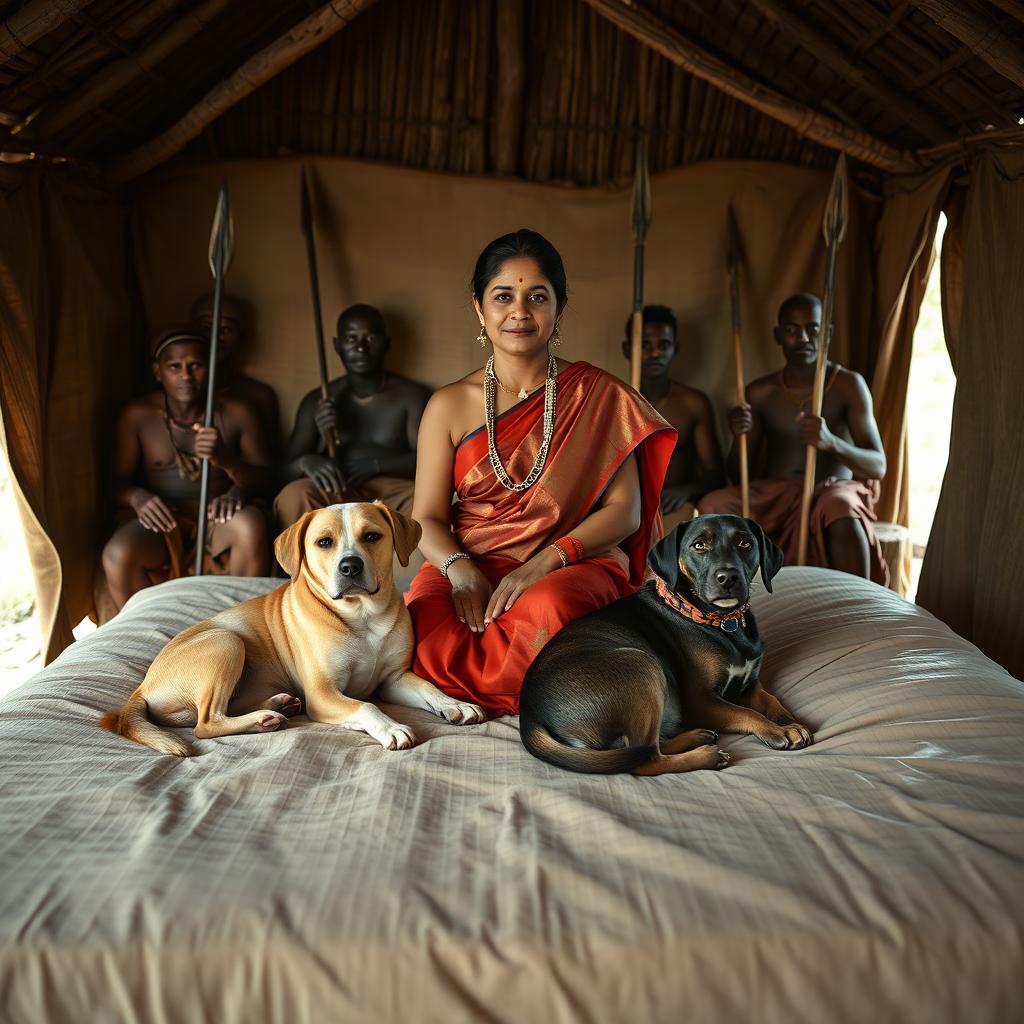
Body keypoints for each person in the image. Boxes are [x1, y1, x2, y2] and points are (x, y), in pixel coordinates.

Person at [406, 229, 676, 717]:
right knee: (419, 624)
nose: (519, 312)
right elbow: (425, 517)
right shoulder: (447, 406)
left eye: (537, 297)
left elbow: (626, 512)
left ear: (559, 307)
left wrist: (545, 561)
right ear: (479, 308)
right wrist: (461, 571)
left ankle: (551, 691)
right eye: (503, 296)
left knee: (549, 609)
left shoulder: (599, 396)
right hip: (471, 559)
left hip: (570, 561)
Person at [698, 292, 888, 583]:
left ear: (827, 334)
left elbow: (877, 466)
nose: (803, 338)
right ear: (778, 335)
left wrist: (830, 441)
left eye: (813, 329)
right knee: (714, 504)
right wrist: (740, 436)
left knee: (841, 504)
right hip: (775, 495)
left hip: (830, 491)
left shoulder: (848, 385)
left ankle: (859, 600)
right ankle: (725, 596)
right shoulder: (761, 392)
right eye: (792, 330)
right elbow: (738, 476)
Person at [102, 326, 273, 611]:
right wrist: (137, 498)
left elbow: (267, 479)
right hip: (164, 520)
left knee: (250, 525)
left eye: (196, 366)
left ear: (212, 368)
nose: (186, 376)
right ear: (158, 372)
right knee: (118, 553)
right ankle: (152, 639)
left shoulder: (237, 413)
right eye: (174, 367)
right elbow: (113, 483)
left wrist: (228, 465)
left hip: (218, 519)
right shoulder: (138, 416)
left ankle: (244, 628)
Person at [275, 304, 429, 527]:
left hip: (393, 492)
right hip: (336, 490)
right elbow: (281, 472)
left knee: (425, 502)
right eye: (350, 339)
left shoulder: (411, 396)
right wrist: (306, 462)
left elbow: (429, 463)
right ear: (337, 346)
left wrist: (375, 466)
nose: (361, 348)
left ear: (386, 343)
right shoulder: (319, 400)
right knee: (294, 494)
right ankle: (302, 564)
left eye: (371, 338)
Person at [622, 304, 725, 533]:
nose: (655, 353)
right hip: (626, 508)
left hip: (675, 506)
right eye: (644, 345)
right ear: (628, 349)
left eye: (664, 345)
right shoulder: (616, 402)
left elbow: (715, 473)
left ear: (675, 349)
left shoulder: (693, 403)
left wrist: (685, 491)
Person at [190, 293, 281, 456]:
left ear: (241, 336)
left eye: (226, 329)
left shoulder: (258, 395)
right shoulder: (174, 391)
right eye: (206, 328)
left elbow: (269, 467)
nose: (215, 337)